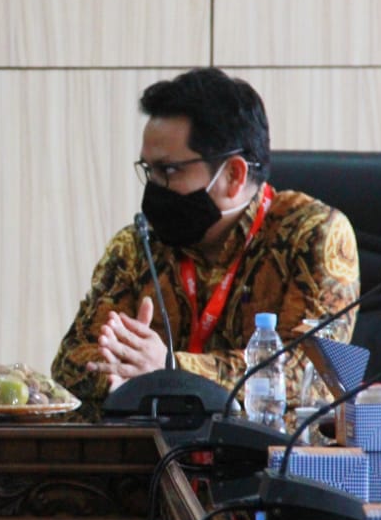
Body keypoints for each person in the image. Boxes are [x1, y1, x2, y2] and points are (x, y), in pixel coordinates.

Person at [52, 67, 359, 418]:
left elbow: (314, 374)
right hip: (152, 446)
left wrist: (170, 369)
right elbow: (69, 364)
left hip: (267, 447)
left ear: (233, 175)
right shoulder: (138, 245)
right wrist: (126, 368)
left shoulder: (313, 234)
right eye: (148, 170)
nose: (154, 187)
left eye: (169, 171)